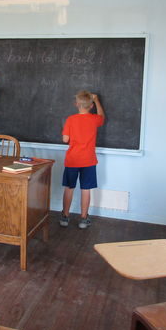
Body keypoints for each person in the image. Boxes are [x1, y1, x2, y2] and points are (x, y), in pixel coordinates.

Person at [59, 90, 105, 229]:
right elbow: (102, 116)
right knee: (86, 189)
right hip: (89, 160)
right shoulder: (94, 119)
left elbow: (65, 139)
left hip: (73, 160)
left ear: (76, 104)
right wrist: (97, 100)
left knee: (69, 188)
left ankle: (65, 217)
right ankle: (83, 219)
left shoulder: (70, 119)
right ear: (91, 106)